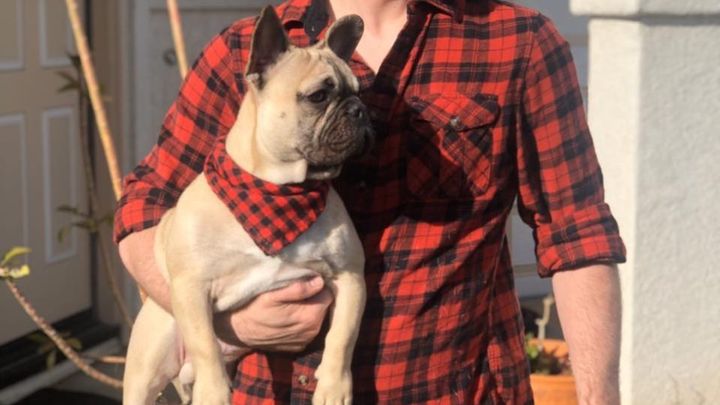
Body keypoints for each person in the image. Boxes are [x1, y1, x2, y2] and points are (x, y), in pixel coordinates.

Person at [115, 0, 626, 403]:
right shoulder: (242, 52)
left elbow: (577, 236)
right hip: (265, 392)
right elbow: (144, 208)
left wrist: (598, 397)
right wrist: (231, 324)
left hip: (451, 388)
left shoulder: (518, 42)